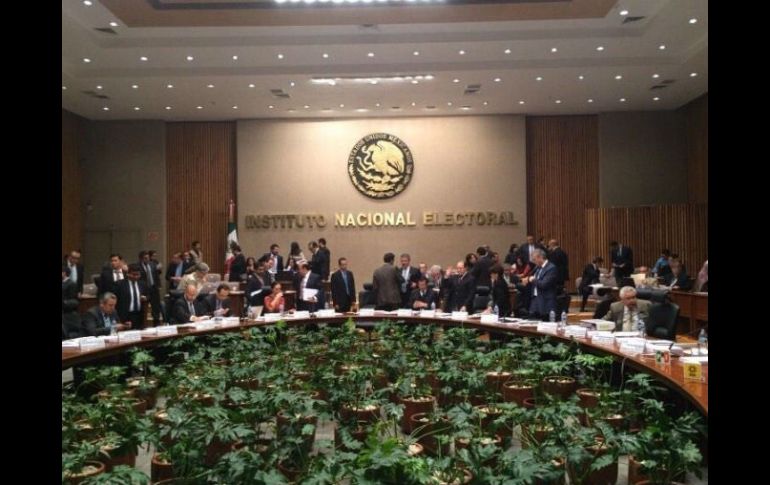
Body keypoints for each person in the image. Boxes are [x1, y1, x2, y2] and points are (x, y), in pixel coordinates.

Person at [522, 248, 558, 321]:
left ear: (540, 257)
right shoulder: (537, 267)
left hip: (545, 302)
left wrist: (532, 279)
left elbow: (544, 284)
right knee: (531, 323)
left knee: (545, 324)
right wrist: (528, 279)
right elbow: (531, 277)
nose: (533, 262)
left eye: (534, 259)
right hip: (535, 300)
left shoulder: (551, 268)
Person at [116, 264, 148, 330]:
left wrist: (146, 298)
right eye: (134, 274)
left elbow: (149, 295)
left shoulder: (143, 284)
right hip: (125, 315)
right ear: (128, 274)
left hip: (139, 315)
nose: (136, 277)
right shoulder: (120, 284)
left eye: (138, 275)